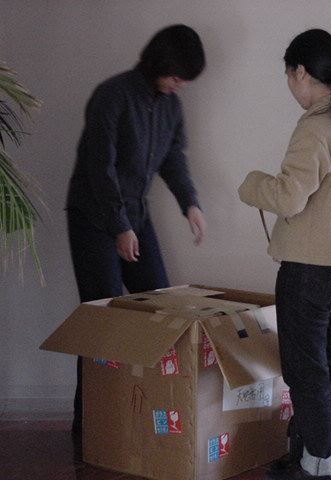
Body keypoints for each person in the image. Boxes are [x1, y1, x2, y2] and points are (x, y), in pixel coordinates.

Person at [238, 29, 331, 480]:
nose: (289, 85)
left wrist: (251, 184)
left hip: (312, 273)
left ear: (300, 72)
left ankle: (315, 465)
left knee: (306, 371)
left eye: (288, 75)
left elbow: (288, 197)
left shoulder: (315, 127)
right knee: (330, 360)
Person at [66, 24, 207, 437]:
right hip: (94, 217)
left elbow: (173, 159)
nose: (181, 84)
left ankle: (148, 415)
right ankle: (91, 427)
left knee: (161, 310)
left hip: (136, 216)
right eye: (178, 75)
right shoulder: (112, 96)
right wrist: (119, 227)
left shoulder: (170, 106)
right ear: (161, 63)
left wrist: (190, 203)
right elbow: (100, 169)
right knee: (103, 319)